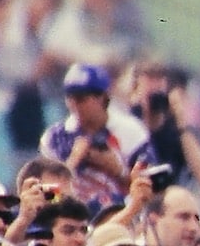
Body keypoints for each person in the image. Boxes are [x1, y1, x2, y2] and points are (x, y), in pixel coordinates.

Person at [40, 64, 152, 207]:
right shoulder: (55, 137)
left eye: (81, 99)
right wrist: (72, 162)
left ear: (102, 97)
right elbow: (48, 197)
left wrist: (119, 171)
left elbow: (153, 192)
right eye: (70, 98)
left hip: (122, 213)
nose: (74, 105)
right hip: (73, 215)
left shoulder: (131, 130)